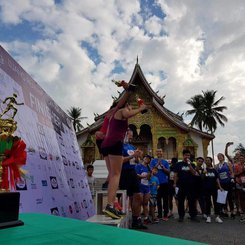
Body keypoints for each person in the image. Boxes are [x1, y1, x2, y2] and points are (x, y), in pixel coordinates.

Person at [101, 99, 147, 219]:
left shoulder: (111, 115)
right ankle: (110, 205)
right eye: (129, 132)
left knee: (113, 174)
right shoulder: (121, 111)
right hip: (114, 146)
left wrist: (136, 157)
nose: (129, 134)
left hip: (110, 146)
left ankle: (114, 207)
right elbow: (127, 113)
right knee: (115, 175)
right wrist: (140, 109)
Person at [95, 81, 132, 190]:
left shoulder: (118, 116)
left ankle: (107, 186)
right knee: (114, 172)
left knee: (112, 171)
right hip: (106, 140)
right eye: (127, 106)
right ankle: (111, 193)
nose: (128, 108)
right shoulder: (114, 111)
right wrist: (128, 90)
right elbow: (121, 103)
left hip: (104, 140)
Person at [119, 128, 147, 229]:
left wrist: (137, 156)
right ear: (125, 135)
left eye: (131, 136)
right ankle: (123, 220)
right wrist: (133, 156)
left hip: (133, 172)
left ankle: (136, 220)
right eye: (129, 136)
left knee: (138, 195)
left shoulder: (131, 146)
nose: (131, 138)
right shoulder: (119, 146)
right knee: (124, 197)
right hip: (124, 173)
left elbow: (137, 161)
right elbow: (119, 161)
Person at [174, 149, 200, 222]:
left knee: (191, 201)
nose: (187, 156)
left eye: (188, 155)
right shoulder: (178, 164)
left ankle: (193, 216)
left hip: (191, 186)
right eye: (186, 155)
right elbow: (175, 175)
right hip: (181, 185)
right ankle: (181, 216)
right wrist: (175, 183)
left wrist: (189, 165)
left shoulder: (192, 164)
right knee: (181, 201)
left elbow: (194, 173)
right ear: (183, 156)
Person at [202, 157, 223, 223]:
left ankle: (217, 217)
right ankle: (208, 216)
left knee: (216, 202)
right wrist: (204, 173)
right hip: (206, 188)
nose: (207, 161)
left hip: (214, 188)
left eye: (209, 160)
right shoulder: (204, 169)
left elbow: (217, 179)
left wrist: (220, 187)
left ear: (211, 161)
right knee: (208, 202)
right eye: (206, 160)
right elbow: (202, 178)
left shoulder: (214, 170)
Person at [150, 148, 170, 221]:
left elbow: (168, 172)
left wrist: (162, 167)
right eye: (157, 151)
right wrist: (157, 164)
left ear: (162, 153)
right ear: (156, 152)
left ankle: (165, 215)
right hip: (156, 184)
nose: (159, 152)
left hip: (164, 183)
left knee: (165, 200)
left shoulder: (165, 162)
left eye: (160, 151)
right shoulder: (153, 161)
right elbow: (152, 171)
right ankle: (159, 214)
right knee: (158, 199)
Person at [215, 151, 235, 218]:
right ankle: (225, 211)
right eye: (218, 157)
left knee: (230, 198)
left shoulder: (228, 164)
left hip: (228, 183)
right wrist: (218, 185)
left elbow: (232, 172)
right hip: (221, 184)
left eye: (220, 156)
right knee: (224, 198)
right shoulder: (216, 166)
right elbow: (217, 176)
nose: (219, 157)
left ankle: (232, 212)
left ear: (223, 157)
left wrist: (232, 178)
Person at [135, 155, 152, 224]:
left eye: (148, 159)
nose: (147, 159)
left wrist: (149, 175)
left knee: (145, 203)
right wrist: (144, 176)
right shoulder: (138, 166)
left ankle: (146, 217)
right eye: (146, 158)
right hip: (140, 186)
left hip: (146, 187)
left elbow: (149, 179)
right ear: (143, 159)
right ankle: (138, 217)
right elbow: (136, 175)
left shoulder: (149, 168)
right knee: (139, 203)